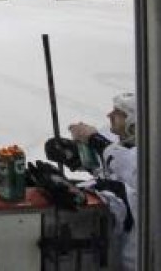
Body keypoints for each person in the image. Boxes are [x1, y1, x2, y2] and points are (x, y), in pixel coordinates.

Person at [54, 93, 138, 271]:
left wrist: (94, 140)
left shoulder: (149, 154)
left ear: (133, 121)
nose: (109, 115)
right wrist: (78, 157)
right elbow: (111, 166)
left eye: (118, 113)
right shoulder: (121, 141)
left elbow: (129, 172)